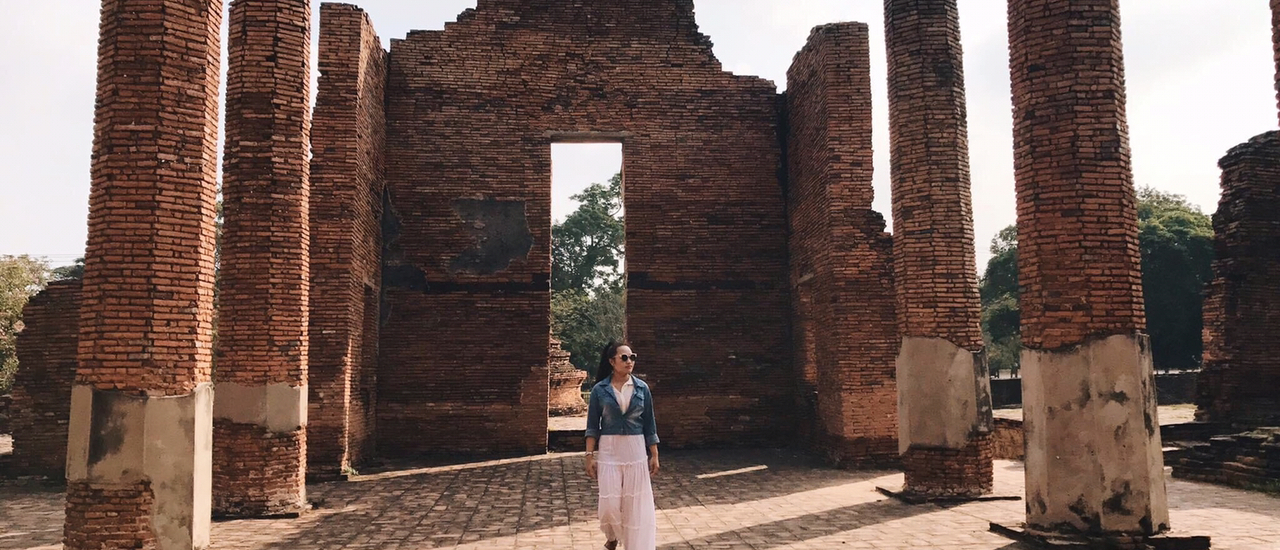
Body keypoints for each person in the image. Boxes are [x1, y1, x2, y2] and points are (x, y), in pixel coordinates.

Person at [584, 341, 659, 550]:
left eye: (632, 357)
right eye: (624, 357)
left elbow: (649, 424)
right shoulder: (600, 390)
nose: (629, 362)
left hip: (635, 451)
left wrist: (654, 454)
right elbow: (592, 426)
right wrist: (589, 456)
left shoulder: (641, 388)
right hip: (609, 450)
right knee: (609, 504)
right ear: (612, 361)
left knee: (634, 505)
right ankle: (613, 535)